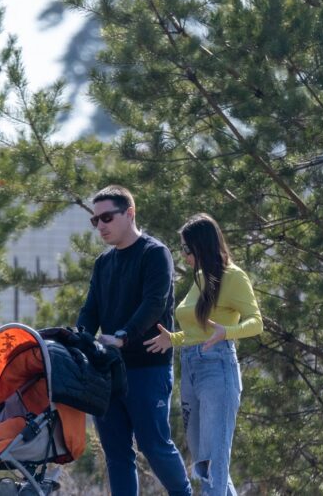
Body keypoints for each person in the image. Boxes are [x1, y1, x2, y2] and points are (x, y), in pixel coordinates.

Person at [77, 185, 192, 496]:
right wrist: (78, 340)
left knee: (154, 445)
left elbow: (154, 303)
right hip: (108, 372)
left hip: (147, 368)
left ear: (129, 213)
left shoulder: (155, 254)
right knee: (116, 454)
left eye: (107, 217)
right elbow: (90, 310)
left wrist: (124, 336)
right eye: (95, 220)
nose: (100, 226)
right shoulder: (103, 263)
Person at [145, 213, 263, 496]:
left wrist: (228, 332)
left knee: (213, 462)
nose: (184, 255)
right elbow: (197, 331)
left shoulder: (233, 277)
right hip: (191, 367)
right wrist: (172, 339)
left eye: (187, 249)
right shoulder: (200, 278)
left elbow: (256, 322)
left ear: (202, 246)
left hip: (217, 367)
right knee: (203, 461)